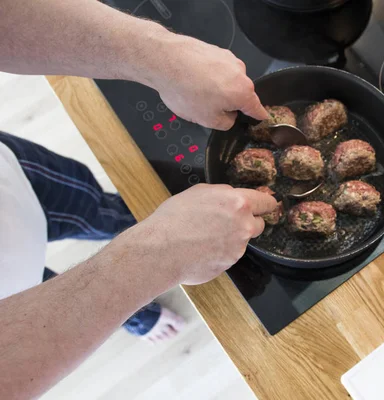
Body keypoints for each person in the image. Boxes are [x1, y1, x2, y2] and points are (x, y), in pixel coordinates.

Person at [0, 0, 276, 398]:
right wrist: (154, 256)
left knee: (97, 209)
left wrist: (161, 56)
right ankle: (136, 315)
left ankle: (122, 233)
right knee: (75, 290)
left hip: (11, 186)